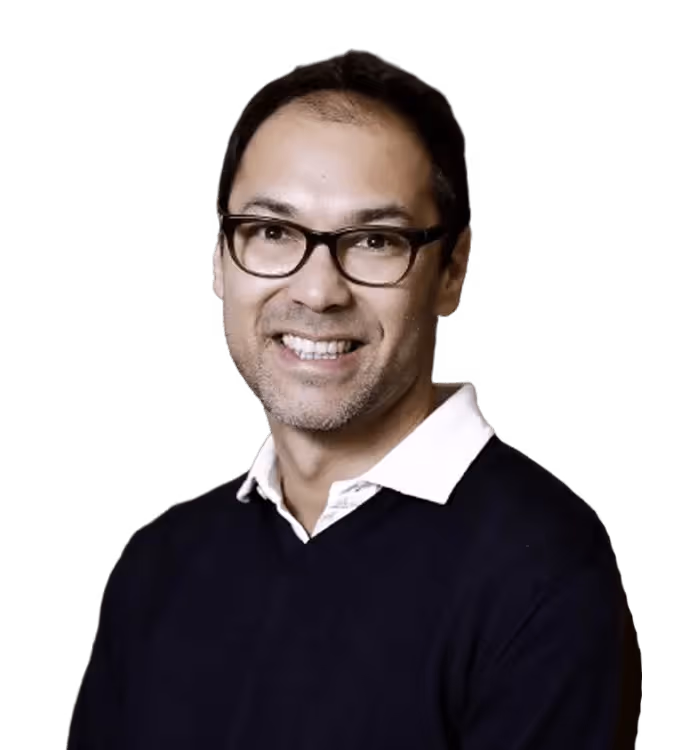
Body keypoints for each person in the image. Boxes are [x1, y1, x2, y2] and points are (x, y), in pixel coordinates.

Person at [68, 50, 641, 749]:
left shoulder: (544, 573)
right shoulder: (159, 566)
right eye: (272, 232)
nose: (317, 292)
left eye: (375, 241)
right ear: (219, 258)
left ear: (452, 272)